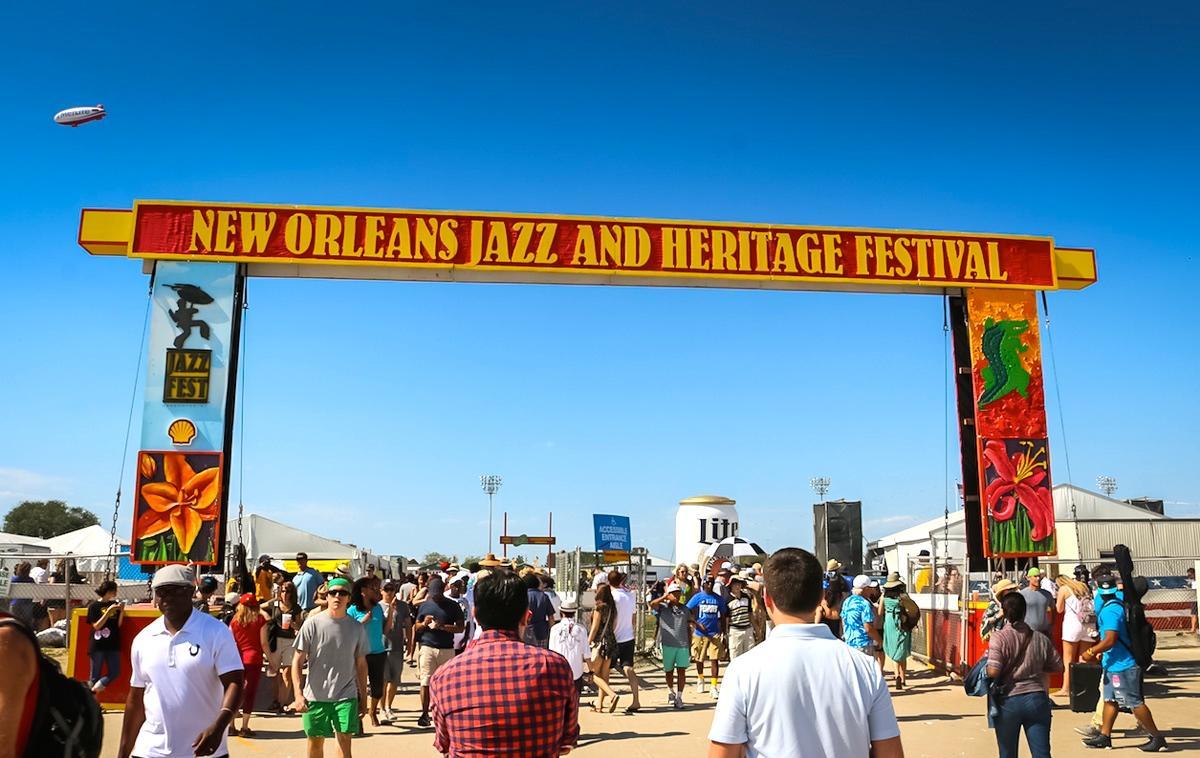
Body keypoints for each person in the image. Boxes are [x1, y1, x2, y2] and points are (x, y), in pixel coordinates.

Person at [707, 547, 903, 758]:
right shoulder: (865, 668)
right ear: (821, 596)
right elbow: (890, 752)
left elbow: (722, 753)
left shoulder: (743, 671)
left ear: (767, 599)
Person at [429, 571, 579, 757]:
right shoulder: (556, 667)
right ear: (527, 616)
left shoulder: (444, 676)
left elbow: (444, 744)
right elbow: (568, 739)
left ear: (475, 616)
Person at [118, 565, 244, 758]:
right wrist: (123, 753)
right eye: (161, 592)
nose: (167, 597)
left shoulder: (216, 631)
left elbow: (235, 682)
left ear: (191, 591)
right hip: (150, 751)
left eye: (176, 590)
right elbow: (135, 700)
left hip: (204, 751)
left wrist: (218, 727)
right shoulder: (144, 639)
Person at [1080, 572, 1167, 751]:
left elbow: (1111, 638)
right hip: (1113, 663)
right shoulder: (1118, 600)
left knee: (1135, 702)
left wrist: (1091, 651)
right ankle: (1105, 736)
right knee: (1110, 699)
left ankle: (1157, 738)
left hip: (1123, 665)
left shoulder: (1111, 610)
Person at [291, 576, 369, 758]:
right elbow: (297, 660)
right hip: (315, 696)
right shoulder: (312, 623)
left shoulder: (357, 628)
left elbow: (361, 664)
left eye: (342, 593)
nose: (337, 596)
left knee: (344, 741)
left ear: (349, 598)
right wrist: (298, 694)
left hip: (346, 695)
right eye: (333, 593)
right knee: (315, 741)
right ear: (327, 596)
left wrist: (363, 697)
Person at [986, 591, 1064, 758]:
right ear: (1025, 611)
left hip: (1008, 700)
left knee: (1007, 753)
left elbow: (993, 671)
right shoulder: (1040, 638)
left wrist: (982, 670)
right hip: (1037, 698)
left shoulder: (999, 638)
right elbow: (1058, 666)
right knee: (1042, 754)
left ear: (1004, 612)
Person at [414, 576, 465, 727]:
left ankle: (445, 713)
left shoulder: (453, 606)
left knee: (446, 683)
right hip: (427, 647)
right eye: (432, 593)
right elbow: (416, 626)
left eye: (437, 593)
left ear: (443, 590)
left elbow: (460, 627)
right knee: (425, 681)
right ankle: (424, 714)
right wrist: (424, 623)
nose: (434, 596)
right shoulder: (425, 605)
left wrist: (443, 626)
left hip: (447, 649)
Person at [347, 576, 389, 728]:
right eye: (372, 588)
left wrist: (391, 616)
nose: (376, 590)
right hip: (359, 655)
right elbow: (347, 631)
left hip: (378, 652)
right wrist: (362, 621)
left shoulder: (377, 608)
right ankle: (358, 719)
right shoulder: (352, 610)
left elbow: (385, 629)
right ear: (363, 591)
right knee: (359, 689)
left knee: (377, 689)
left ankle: (372, 711)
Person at [228, 592, 270, 737]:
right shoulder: (260, 620)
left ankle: (231, 725)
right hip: (253, 659)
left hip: (236, 659)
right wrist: (271, 660)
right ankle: (245, 727)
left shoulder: (234, 621)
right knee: (249, 693)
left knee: (235, 692)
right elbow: (264, 643)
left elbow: (230, 641)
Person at [650, 581, 694, 709]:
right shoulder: (663, 608)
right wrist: (665, 597)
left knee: (681, 670)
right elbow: (652, 604)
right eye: (673, 594)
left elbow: (689, 625)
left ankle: (679, 696)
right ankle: (671, 691)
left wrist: (689, 644)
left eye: (678, 593)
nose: (676, 596)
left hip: (682, 644)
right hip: (668, 644)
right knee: (669, 671)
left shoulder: (685, 609)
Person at [1053, 574, 1097, 698]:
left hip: (1072, 626)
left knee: (1068, 659)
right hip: (1089, 624)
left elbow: (1059, 609)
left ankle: (1066, 688)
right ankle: (1083, 688)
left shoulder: (1064, 589)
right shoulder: (1083, 586)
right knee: (1084, 658)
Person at [687, 575, 729, 699]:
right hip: (700, 633)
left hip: (714, 633)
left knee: (714, 659)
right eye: (707, 582)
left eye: (711, 582)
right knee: (699, 658)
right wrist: (695, 623)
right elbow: (687, 610)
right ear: (703, 584)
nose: (709, 584)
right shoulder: (698, 597)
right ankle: (700, 678)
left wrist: (723, 630)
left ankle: (714, 686)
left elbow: (723, 614)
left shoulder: (718, 599)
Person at [608, 569, 642, 713]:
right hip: (628, 635)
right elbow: (633, 619)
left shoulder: (612, 597)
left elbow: (612, 618)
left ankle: (603, 699)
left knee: (604, 670)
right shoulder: (630, 596)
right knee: (628, 667)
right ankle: (636, 700)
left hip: (614, 637)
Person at [267, 580, 304, 713]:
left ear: (292, 593)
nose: (285, 594)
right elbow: (258, 607)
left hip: (290, 641)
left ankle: (282, 703)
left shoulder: (296, 608)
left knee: (287, 673)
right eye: (283, 590)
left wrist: (295, 626)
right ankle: (276, 700)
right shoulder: (275, 604)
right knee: (275, 672)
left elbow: (300, 626)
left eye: (288, 591)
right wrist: (266, 616)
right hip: (275, 640)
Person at [380, 581, 412, 722]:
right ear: (381, 590)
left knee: (394, 680)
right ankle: (381, 709)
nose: (389, 592)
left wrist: (410, 645)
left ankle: (388, 706)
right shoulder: (377, 607)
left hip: (397, 647)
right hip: (381, 647)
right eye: (386, 589)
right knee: (383, 680)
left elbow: (409, 626)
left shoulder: (403, 606)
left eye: (392, 589)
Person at [588, 583, 621, 713]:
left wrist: (587, 643)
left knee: (593, 674)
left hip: (600, 644)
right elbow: (613, 626)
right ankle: (599, 705)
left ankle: (612, 695)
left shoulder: (599, 608)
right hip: (611, 642)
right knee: (604, 675)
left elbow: (595, 628)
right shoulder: (613, 608)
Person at [86, 579, 124, 693]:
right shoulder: (93, 606)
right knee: (94, 675)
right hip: (98, 644)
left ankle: (94, 690)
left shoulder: (114, 604)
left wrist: (121, 611)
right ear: (109, 591)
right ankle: (92, 701)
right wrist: (108, 612)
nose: (116, 594)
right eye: (114, 591)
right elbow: (96, 626)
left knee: (115, 672)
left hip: (113, 643)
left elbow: (118, 625)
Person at [548, 600, 589, 699]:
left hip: (559, 671)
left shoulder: (554, 629)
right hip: (576, 671)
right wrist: (591, 671)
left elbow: (551, 652)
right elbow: (587, 654)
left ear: (561, 613)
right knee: (574, 700)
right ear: (574, 612)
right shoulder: (581, 629)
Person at [881, 575, 913, 690]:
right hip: (902, 622)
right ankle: (903, 678)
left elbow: (880, 612)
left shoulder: (884, 597)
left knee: (894, 649)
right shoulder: (903, 596)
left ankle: (897, 676)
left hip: (889, 622)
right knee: (902, 651)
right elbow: (912, 609)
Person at [842, 575, 881, 658]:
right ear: (866, 589)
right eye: (870, 588)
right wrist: (879, 640)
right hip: (863, 645)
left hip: (849, 644)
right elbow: (868, 628)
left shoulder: (847, 601)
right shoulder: (864, 604)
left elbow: (843, 621)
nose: (872, 591)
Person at [726, 577, 756, 660]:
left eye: (739, 584)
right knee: (735, 655)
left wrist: (755, 628)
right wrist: (726, 632)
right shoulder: (727, 599)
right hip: (735, 630)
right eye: (735, 584)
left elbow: (750, 613)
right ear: (731, 586)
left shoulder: (746, 597)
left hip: (747, 628)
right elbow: (726, 618)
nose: (737, 587)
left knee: (749, 654)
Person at [524, 572, 556, 647]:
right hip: (541, 632)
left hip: (526, 632)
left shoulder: (523, 596)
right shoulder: (544, 596)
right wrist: (551, 631)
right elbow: (551, 617)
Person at [1019, 568, 1055, 635]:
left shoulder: (1047, 594)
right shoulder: (1022, 594)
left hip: (1045, 632)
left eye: (1039, 576)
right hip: (1028, 632)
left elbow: (1053, 609)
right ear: (1028, 578)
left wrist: (1052, 624)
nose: (1038, 578)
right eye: (1035, 576)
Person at [1186, 567, 1197, 636]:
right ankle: (1193, 628)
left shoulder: (1196, 580)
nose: (1189, 577)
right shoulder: (1192, 581)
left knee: (1194, 613)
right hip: (1193, 598)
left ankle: (1193, 628)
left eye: (1190, 575)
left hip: (1196, 598)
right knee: (1193, 613)